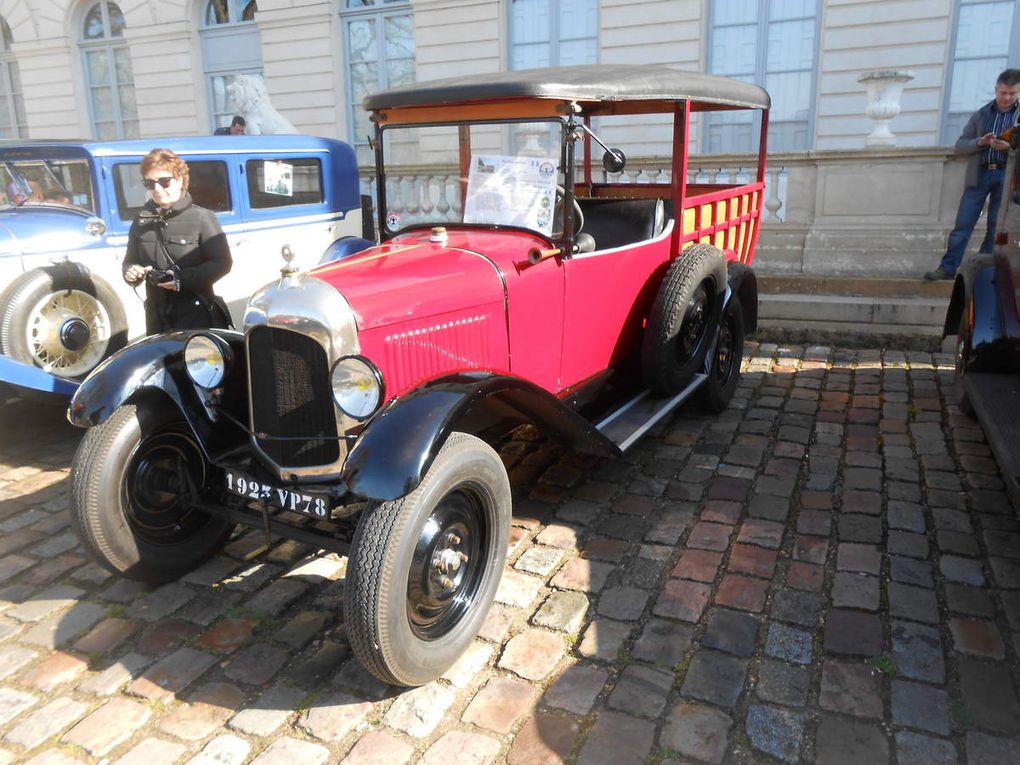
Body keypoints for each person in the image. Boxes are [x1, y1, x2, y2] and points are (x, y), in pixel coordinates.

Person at [123, 148, 233, 334]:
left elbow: (222, 262)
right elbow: (130, 260)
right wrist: (131, 272)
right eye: (149, 184)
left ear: (180, 180)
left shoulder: (202, 217)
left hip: (196, 316)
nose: (157, 190)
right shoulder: (141, 222)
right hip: (157, 319)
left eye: (164, 182)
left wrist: (182, 280)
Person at [925, 69, 1020, 280]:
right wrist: (981, 142)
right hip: (980, 173)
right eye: (1003, 93)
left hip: (1007, 175)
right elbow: (960, 146)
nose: (1007, 98)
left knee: (996, 227)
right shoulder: (981, 114)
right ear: (996, 90)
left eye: (1012, 94)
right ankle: (947, 268)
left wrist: (1010, 147)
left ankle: (983, 274)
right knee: (963, 223)